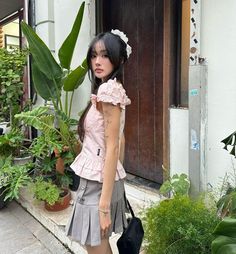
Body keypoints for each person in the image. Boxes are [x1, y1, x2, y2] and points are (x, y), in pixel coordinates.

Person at [66, 29, 132, 254]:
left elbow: (113, 145)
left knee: (95, 245)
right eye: (94, 56)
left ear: (119, 59)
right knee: (98, 244)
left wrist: (104, 206)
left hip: (97, 184)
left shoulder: (108, 90)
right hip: (101, 178)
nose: (97, 61)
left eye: (105, 55)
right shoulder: (112, 89)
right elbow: (119, 139)